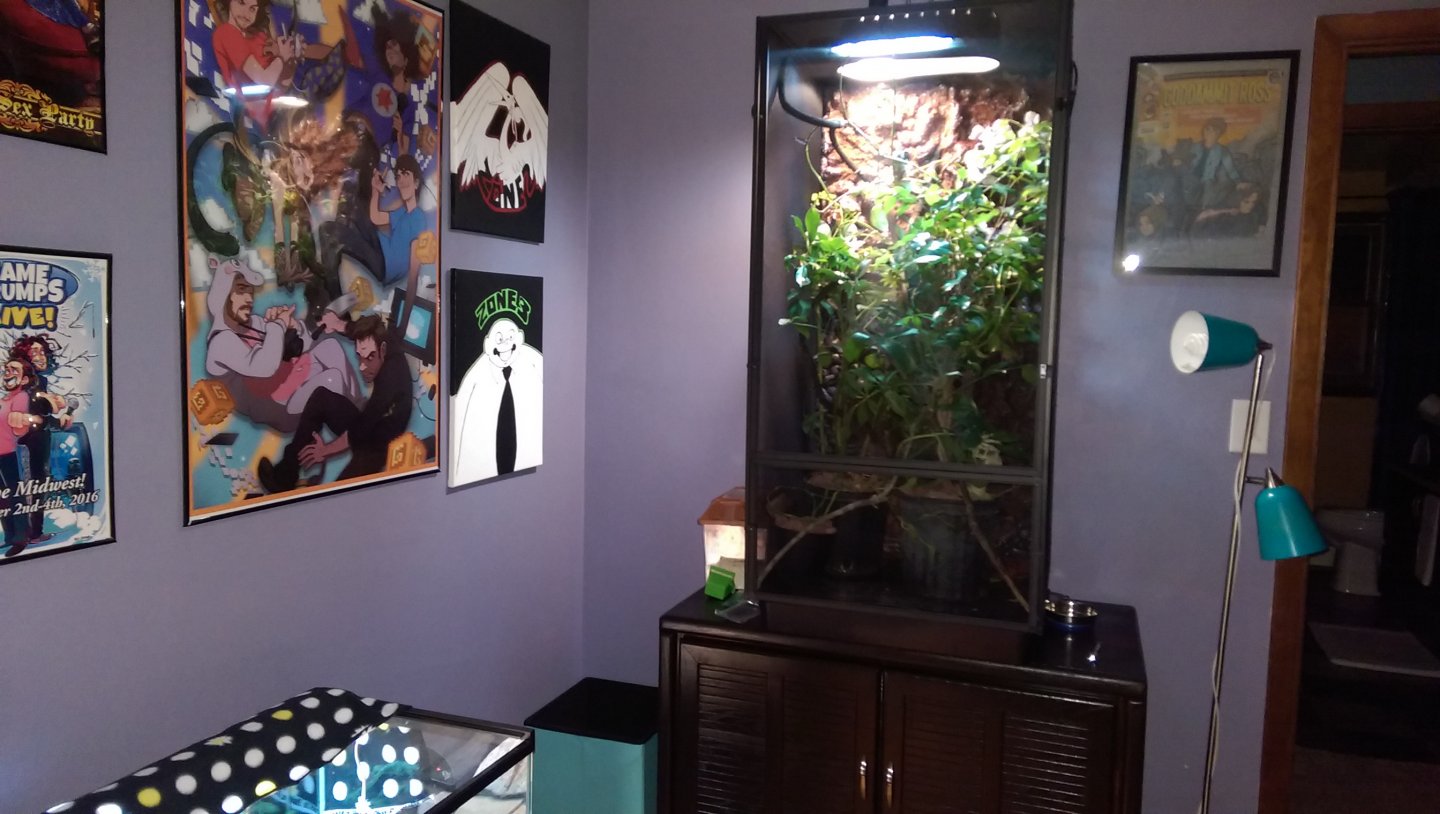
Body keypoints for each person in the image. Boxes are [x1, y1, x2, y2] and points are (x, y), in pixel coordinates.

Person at [256, 314, 412, 492]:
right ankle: (285, 476)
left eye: (369, 358)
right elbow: (359, 332)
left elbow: (360, 428)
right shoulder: (383, 339)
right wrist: (338, 324)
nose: (362, 366)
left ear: (383, 350)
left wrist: (325, 450)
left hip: (381, 444)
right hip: (371, 423)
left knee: (341, 494)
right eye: (359, 356)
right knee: (321, 398)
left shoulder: (390, 380)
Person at [203, 255, 358, 434]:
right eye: (241, 290)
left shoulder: (252, 324)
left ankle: (357, 406)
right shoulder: (220, 342)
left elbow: (306, 344)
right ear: (223, 294)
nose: (249, 299)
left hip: (291, 382)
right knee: (332, 378)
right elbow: (264, 367)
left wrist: (293, 327)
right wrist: (278, 325)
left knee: (330, 346)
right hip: (278, 408)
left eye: (250, 292)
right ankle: (351, 431)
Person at [451, 317, 542, 483]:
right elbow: (459, 406)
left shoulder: (533, 361)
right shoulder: (476, 376)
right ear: (487, 344)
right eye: (499, 339)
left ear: (520, 338)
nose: (505, 344)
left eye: (510, 337)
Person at [0, 357, 39, 556]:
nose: (8, 372)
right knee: (2, 498)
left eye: (14, 370)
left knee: (15, 495)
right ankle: (9, 536)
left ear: (24, 379)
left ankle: (21, 538)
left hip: (10, 454)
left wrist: (22, 422)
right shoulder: (4, 400)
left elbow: (19, 429)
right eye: (6, 369)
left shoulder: (21, 397)